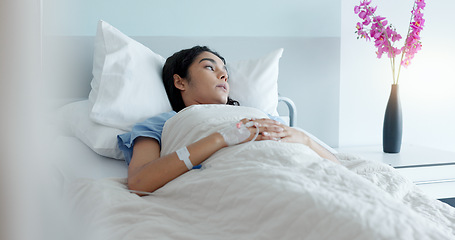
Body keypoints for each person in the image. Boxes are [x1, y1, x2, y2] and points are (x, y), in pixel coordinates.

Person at [118, 46, 339, 195]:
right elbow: (140, 182)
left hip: (300, 176)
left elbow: (339, 168)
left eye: (225, 71)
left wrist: (304, 139)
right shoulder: (161, 124)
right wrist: (220, 139)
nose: (223, 75)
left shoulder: (258, 114)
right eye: (209, 67)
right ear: (180, 82)